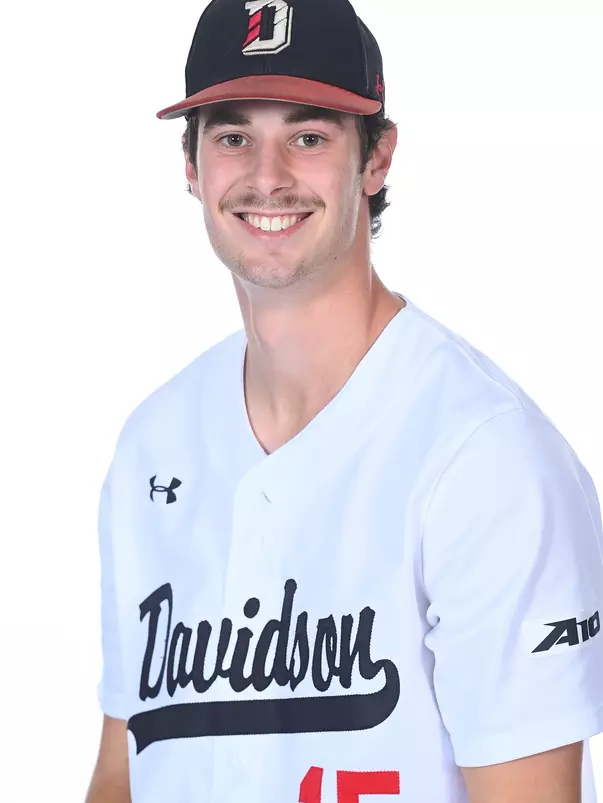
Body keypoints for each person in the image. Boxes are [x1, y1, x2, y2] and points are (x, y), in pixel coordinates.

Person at [85, 0, 603, 801]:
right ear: (190, 165)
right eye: (232, 137)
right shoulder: (151, 445)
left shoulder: (486, 459)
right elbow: (123, 768)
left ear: (375, 158)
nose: (267, 176)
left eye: (308, 137)